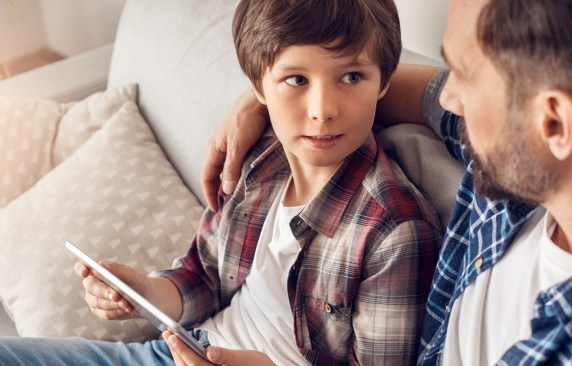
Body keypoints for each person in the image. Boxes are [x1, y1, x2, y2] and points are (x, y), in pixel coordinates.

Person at [200, 0, 572, 365]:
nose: (447, 96)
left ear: (553, 122)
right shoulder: (526, 166)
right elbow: (379, 83)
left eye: (464, 76)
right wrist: (263, 96)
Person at [0, 0, 441, 365]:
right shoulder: (260, 154)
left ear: (383, 81)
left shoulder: (395, 233)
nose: (322, 109)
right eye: (296, 80)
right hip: (176, 351)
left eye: (351, 77)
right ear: (258, 88)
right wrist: (147, 292)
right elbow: (205, 277)